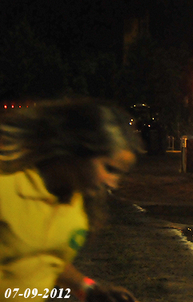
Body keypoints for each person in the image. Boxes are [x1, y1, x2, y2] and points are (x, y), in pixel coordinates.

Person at [1, 98, 143, 301]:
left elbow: (47, 258)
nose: (113, 184)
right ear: (78, 150)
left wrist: (87, 288)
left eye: (119, 174)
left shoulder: (77, 207)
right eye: (108, 169)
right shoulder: (6, 187)